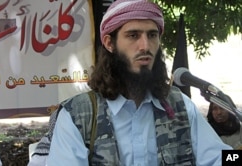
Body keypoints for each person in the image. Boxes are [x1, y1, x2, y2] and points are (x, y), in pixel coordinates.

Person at [46, 0, 232, 165]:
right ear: (109, 43)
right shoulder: (77, 116)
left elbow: (220, 157)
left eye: (152, 35)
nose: (145, 46)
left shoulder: (180, 106)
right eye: (133, 35)